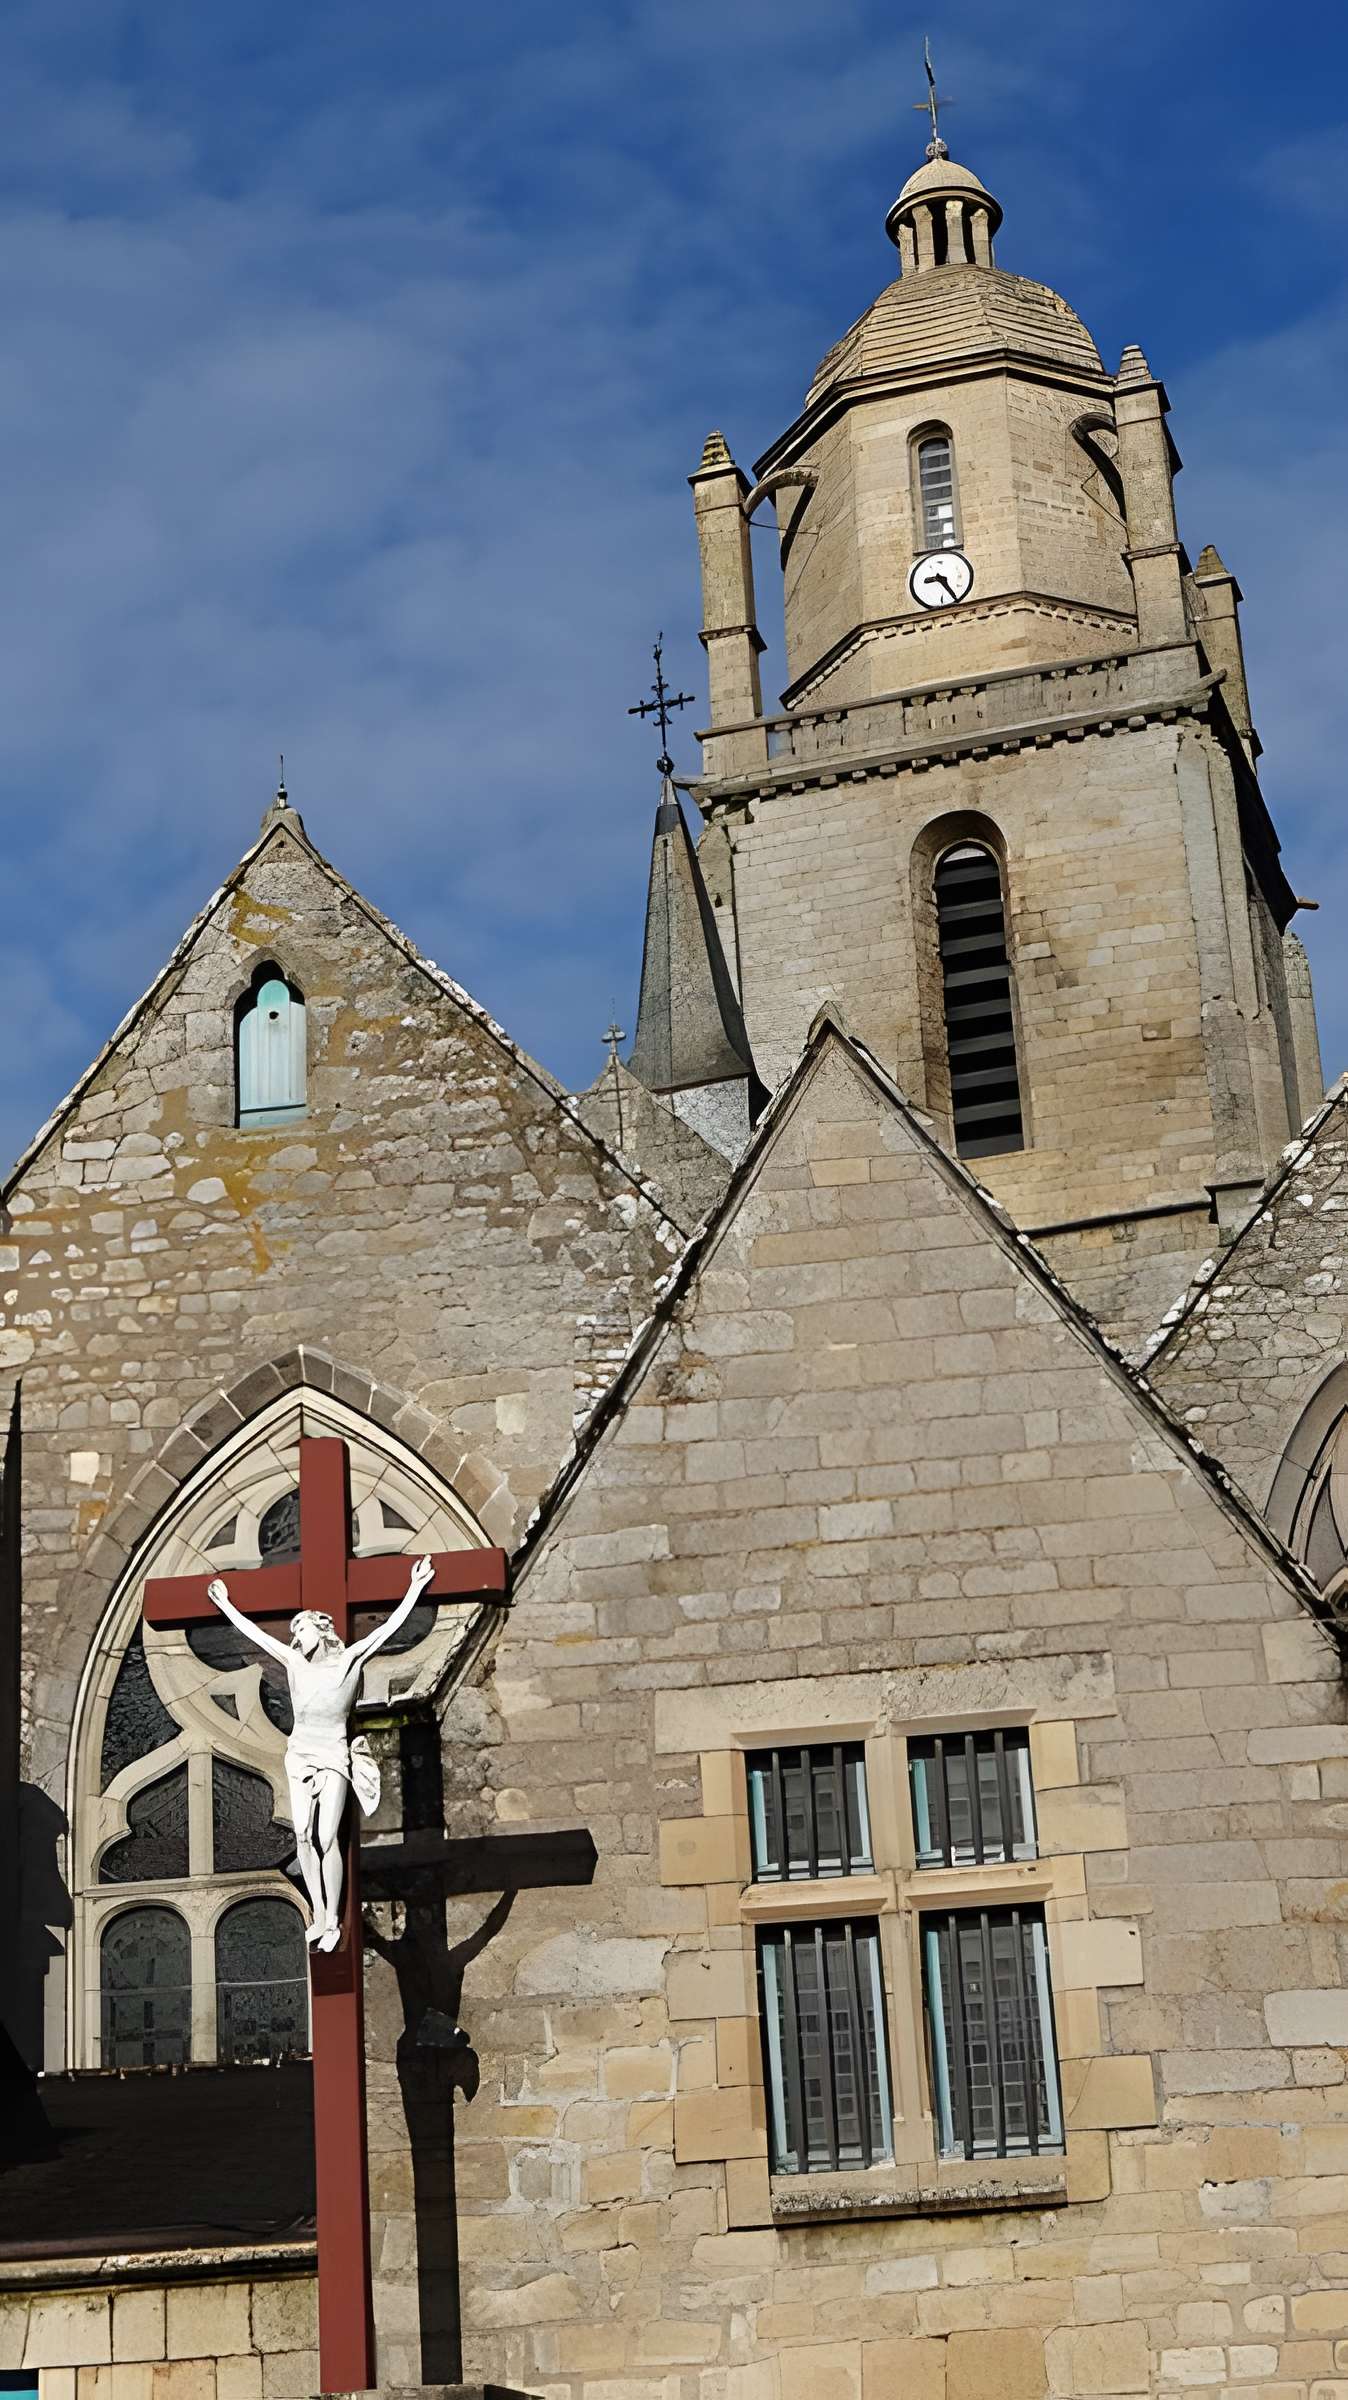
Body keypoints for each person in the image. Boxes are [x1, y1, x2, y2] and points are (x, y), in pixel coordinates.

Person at [205, 1554, 435, 1951]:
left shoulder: (349, 1659)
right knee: (302, 1835)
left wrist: (414, 1587)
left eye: (302, 1628)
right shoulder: (294, 1661)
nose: (296, 1637)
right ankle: (318, 1911)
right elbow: (256, 1637)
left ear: (321, 1630)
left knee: (328, 1835)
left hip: (333, 1754)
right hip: (300, 1753)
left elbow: (388, 1630)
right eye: (294, 1631)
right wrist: (226, 1605)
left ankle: (333, 1920)